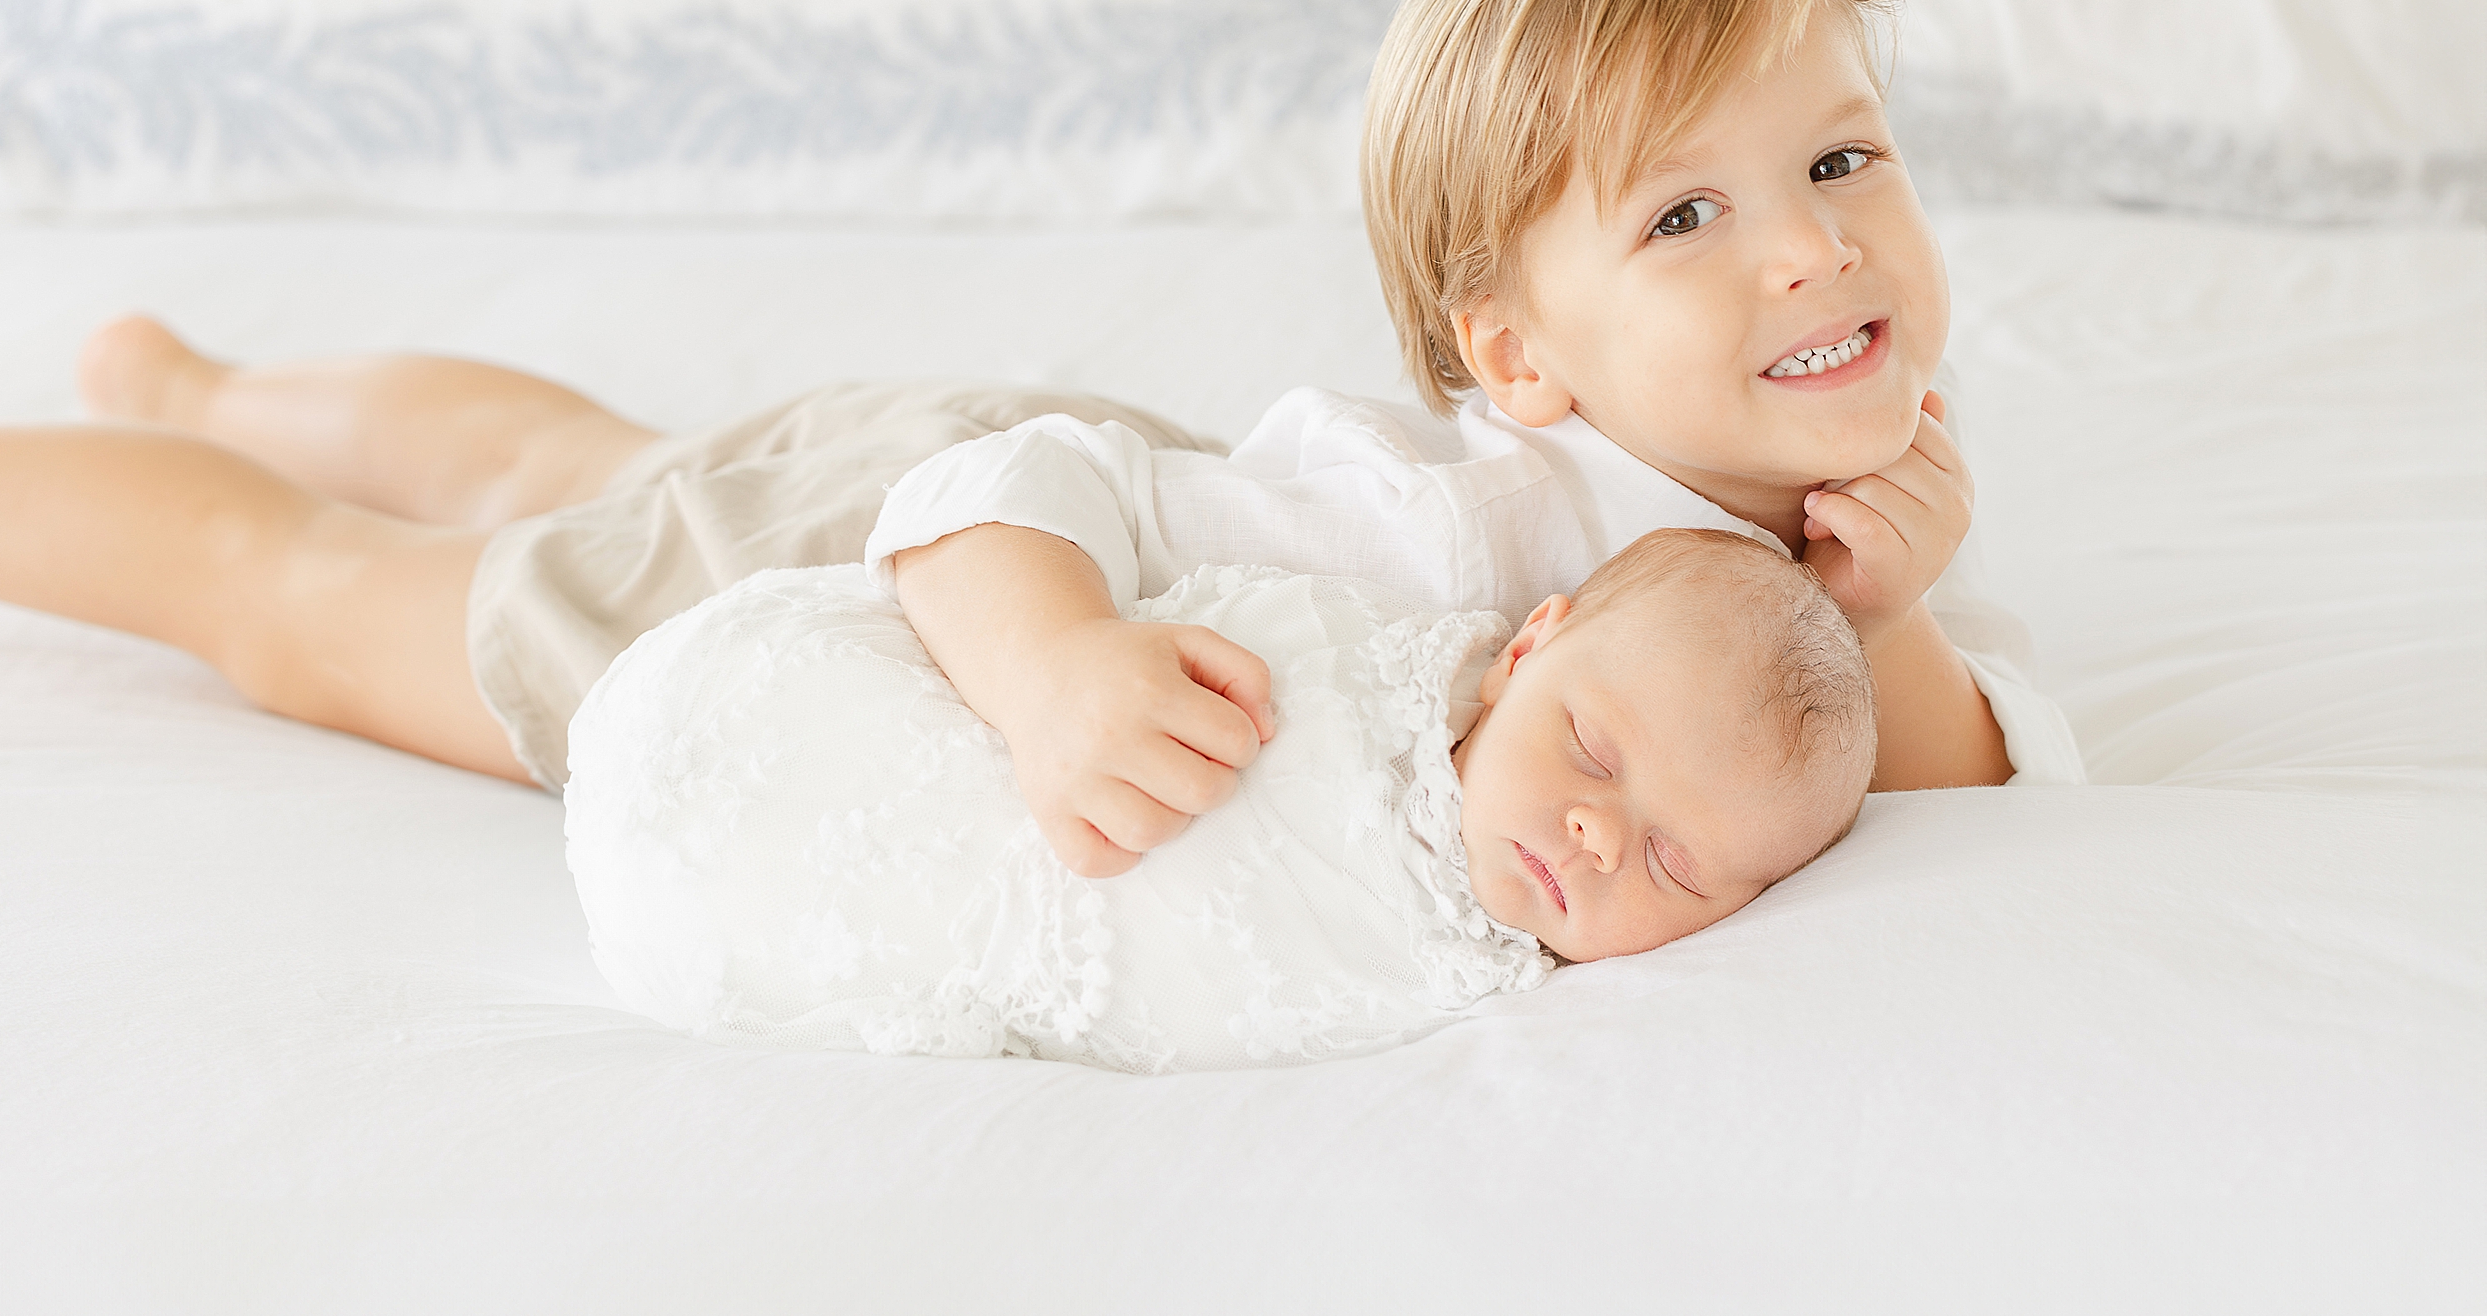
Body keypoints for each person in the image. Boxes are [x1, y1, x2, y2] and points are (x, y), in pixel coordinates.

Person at [0, 0, 2080, 876]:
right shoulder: (1445, 524)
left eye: (1837, 160)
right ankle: (172, 443)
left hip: (1022, 480)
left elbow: (1978, 782)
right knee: (316, 611)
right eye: (1682, 216)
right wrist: (1059, 668)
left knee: (579, 453)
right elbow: (969, 505)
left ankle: (192, 379)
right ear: (1516, 358)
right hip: (928, 543)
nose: (1811, 243)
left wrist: (1873, 606)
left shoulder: (1826, 444)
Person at [566, 530, 1874, 1072]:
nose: (1596, 832)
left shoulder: (1483, 1004)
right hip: (858, 693)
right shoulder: (1345, 650)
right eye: (1589, 747)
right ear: (1529, 649)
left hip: (813, 947)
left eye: (1678, 867)